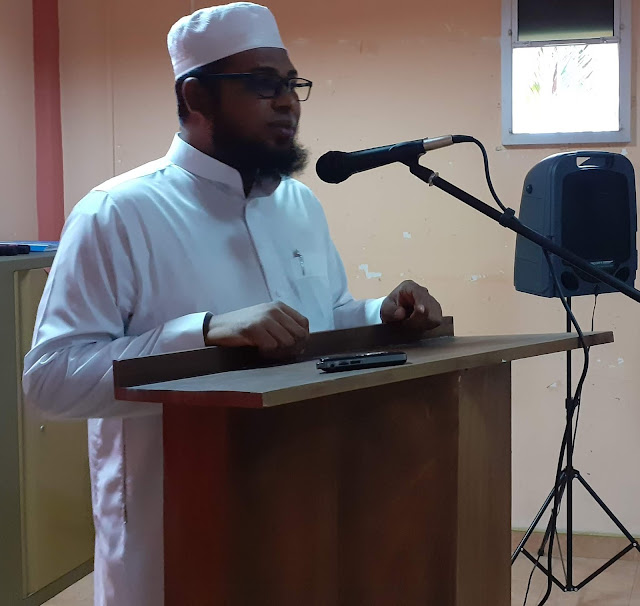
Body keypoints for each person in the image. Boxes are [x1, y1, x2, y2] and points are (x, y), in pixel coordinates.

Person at [22, 3, 443, 605]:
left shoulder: (298, 205)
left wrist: (382, 314)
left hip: (300, 510)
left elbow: (321, 319)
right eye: (264, 85)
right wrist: (203, 332)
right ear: (196, 96)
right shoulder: (117, 212)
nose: (288, 102)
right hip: (171, 534)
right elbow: (49, 381)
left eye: (293, 84)